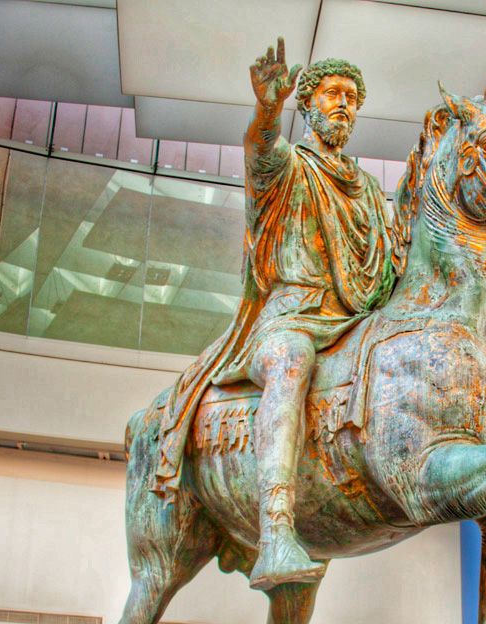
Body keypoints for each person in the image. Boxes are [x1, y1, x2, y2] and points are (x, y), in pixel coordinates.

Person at [152, 39, 393, 591]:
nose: (345, 105)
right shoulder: (287, 169)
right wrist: (266, 111)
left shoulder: (369, 192)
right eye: (333, 94)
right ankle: (277, 529)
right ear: (307, 105)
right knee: (290, 360)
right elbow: (260, 148)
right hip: (288, 319)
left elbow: (399, 250)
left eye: (353, 99)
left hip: (352, 322)